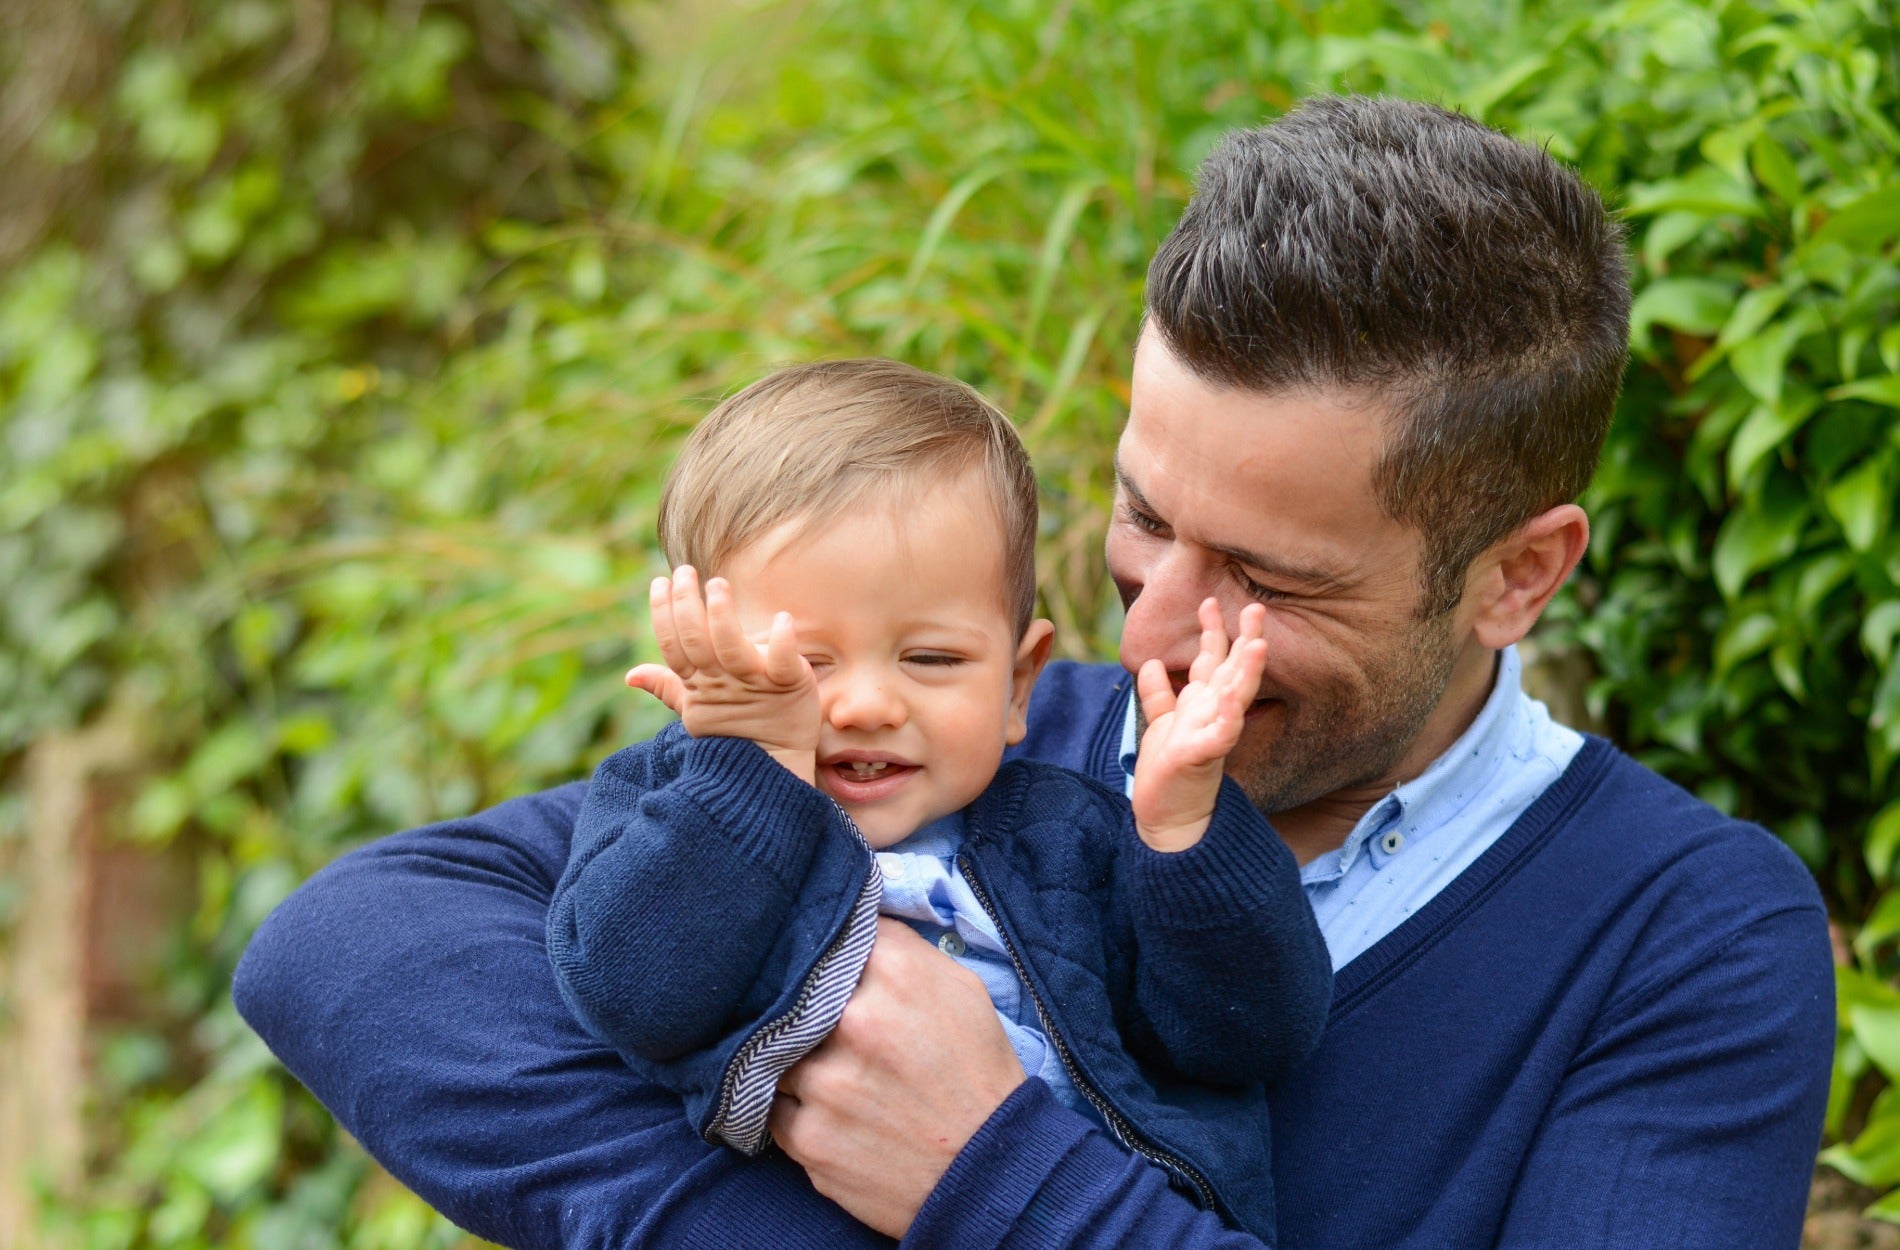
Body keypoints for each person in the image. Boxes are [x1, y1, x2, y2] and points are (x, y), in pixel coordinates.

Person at [234, 96, 1836, 1250]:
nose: (1149, 634)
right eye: (1146, 515)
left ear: (1519, 573)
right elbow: (356, 946)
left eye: (1270, 580)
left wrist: (984, 1175)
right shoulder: (978, 747)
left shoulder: (1684, 939)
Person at [545, 359, 1330, 1242]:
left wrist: (1186, 831)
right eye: (799, 665)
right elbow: (633, 997)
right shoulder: (669, 806)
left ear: (1018, 685)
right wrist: (752, 765)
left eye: (933, 660)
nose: (868, 705)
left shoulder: (1073, 837)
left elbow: (1250, 1037)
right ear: (701, 659)